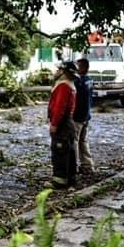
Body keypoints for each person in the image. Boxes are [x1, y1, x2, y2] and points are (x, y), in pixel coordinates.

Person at [47, 61, 77, 189]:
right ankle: (70, 177)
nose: (56, 72)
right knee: (68, 150)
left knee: (60, 150)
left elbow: (60, 107)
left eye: (59, 69)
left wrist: (54, 124)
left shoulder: (63, 86)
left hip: (63, 123)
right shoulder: (69, 85)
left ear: (63, 72)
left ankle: (59, 180)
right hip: (68, 123)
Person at [73, 58, 94, 175]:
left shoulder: (78, 82)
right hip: (87, 115)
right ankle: (87, 165)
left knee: (74, 141)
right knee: (84, 141)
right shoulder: (90, 80)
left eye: (77, 66)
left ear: (82, 68)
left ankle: (74, 166)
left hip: (78, 116)